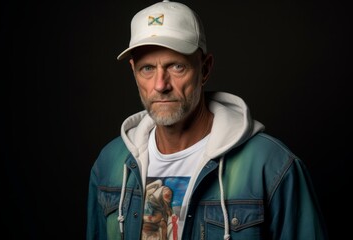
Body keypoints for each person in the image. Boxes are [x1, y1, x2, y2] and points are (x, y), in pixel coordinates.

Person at [86, 1, 329, 239]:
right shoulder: (111, 164)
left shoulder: (270, 166)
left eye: (177, 66)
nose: (160, 85)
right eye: (147, 68)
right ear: (134, 72)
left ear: (205, 68)